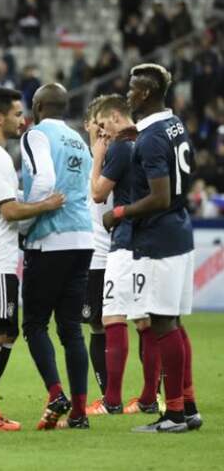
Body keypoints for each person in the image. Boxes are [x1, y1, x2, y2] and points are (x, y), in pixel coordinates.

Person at [102, 64, 202, 433]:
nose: (128, 95)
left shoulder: (150, 139)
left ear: (143, 94)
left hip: (157, 239)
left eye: (131, 90)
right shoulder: (174, 126)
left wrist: (120, 212)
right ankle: (188, 405)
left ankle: (174, 413)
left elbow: (158, 197)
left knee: (161, 323)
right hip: (180, 232)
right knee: (172, 321)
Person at [0, 88, 65, 432]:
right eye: (18, 113)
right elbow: (10, 211)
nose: (24, 120)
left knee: (4, 332)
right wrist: (46, 205)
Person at [19, 83, 95, 430]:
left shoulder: (37, 135)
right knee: (72, 331)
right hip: (83, 238)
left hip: (50, 238)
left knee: (35, 324)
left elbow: (44, 181)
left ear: (37, 106)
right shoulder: (79, 139)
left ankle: (56, 395)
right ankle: (79, 414)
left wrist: (24, 224)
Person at [89, 94, 160, 416]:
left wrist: (97, 155)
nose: (103, 132)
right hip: (152, 239)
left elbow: (97, 193)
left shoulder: (119, 146)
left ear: (116, 117)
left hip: (126, 239)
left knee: (112, 317)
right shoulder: (150, 140)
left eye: (104, 125)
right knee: (147, 320)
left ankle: (112, 400)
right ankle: (148, 398)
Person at [81, 96, 112, 408]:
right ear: (87, 125)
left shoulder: (120, 157)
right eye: (97, 122)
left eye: (107, 122)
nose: (103, 129)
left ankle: (153, 396)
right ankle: (107, 397)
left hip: (123, 252)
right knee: (96, 324)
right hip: (93, 257)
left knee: (145, 322)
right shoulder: (77, 158)